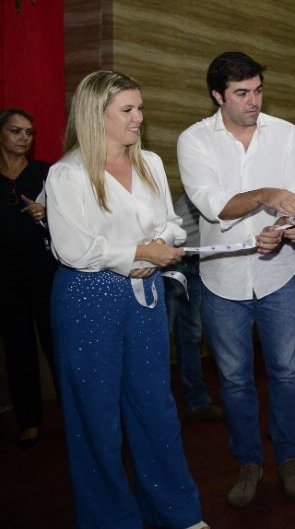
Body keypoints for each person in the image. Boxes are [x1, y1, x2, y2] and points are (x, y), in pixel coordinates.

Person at [45, 70, 206, 528]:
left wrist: (160, 246)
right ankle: (110, 519)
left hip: (148, 293)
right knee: (96, 417)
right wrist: (139, 251)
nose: (140, 118)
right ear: (97, 116)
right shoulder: (67, 173)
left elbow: (171, 222)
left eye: (140, 108)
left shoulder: (150, 162)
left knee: (155, 405)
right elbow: (73, 249)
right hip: (87, 298)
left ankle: (178, 511)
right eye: (128, 110)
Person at [177, 51, 295, 507]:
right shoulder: (194, 140)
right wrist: (265, 195)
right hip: (222, 281)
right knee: (233, 379)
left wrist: (289, 229)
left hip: (280, 274)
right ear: (218, 95)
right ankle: (249, 462)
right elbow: (214, 205)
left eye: (257, 90)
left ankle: (290, 459)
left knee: (288, 374)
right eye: (241, 93)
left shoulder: (286, 134)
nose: (253, 101)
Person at [0, 108, 58, 448]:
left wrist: (49, 213)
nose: (24, 138)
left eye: (29, 132)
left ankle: (75, 413)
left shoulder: (46, 173)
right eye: (16, 131)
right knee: (18, 348)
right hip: (6, 279)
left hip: (45, 272)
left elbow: (73, 221)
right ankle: (29, 421)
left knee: (57, 345)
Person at [163, 193, 224, 423]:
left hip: (195, 264)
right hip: (173, 265)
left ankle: (196, 401)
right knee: (162, 338)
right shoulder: (199, 193)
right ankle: (158, 407)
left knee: (190, 335)